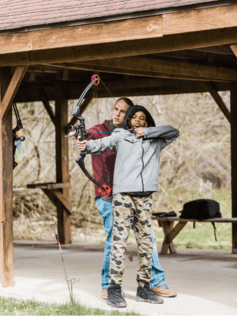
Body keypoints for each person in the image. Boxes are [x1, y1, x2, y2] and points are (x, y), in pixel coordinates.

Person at [77, 104, 179, 307]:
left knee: (146, 243)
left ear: (147, 121)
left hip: (145, 197)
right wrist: (84, 144)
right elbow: (98, 144)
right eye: (134, 118)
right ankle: (114, 290)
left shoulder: (155, 140)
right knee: (119, 241)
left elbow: (173, 132)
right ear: (129, 120)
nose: (138, 120)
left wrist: (147, 132)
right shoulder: (120, 136)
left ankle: (144, 288)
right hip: (123, 196)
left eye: (142, 118)